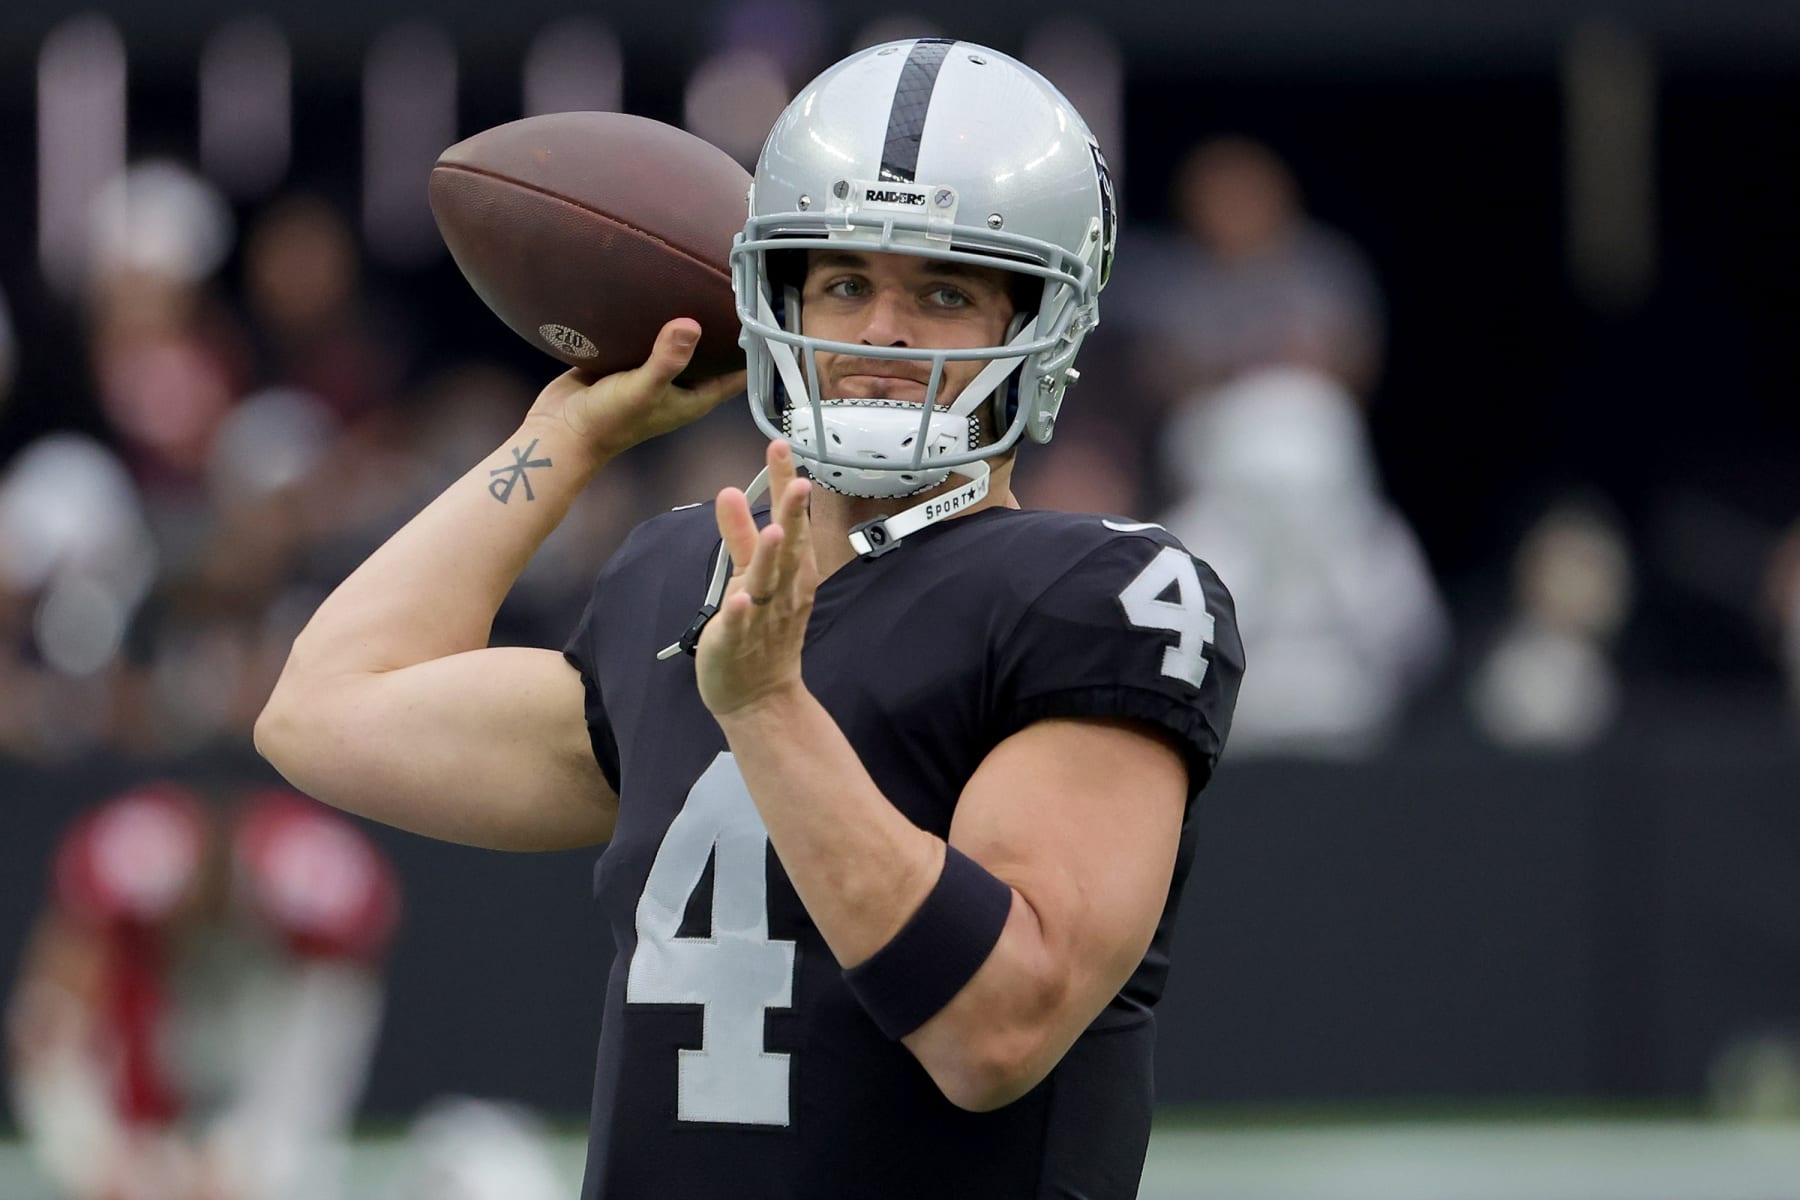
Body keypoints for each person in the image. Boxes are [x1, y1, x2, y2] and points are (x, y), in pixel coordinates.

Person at [256, 38, 1244, 1199]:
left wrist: (770, 707)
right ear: (769, 301)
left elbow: (996, 1030)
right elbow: (322, 711)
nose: (880, 332)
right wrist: (566, 437)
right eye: (843, 283)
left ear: (1040, 320)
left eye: (941, 290)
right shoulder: (684, 570)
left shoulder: (1096, 595)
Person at [5, 782, 400, 1200]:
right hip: (151, 1003)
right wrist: (89, 1150)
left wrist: (259, 1157)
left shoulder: (309, 885)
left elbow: (331, 1020)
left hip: (271, 995)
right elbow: (49, 1012)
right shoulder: (127, 877)